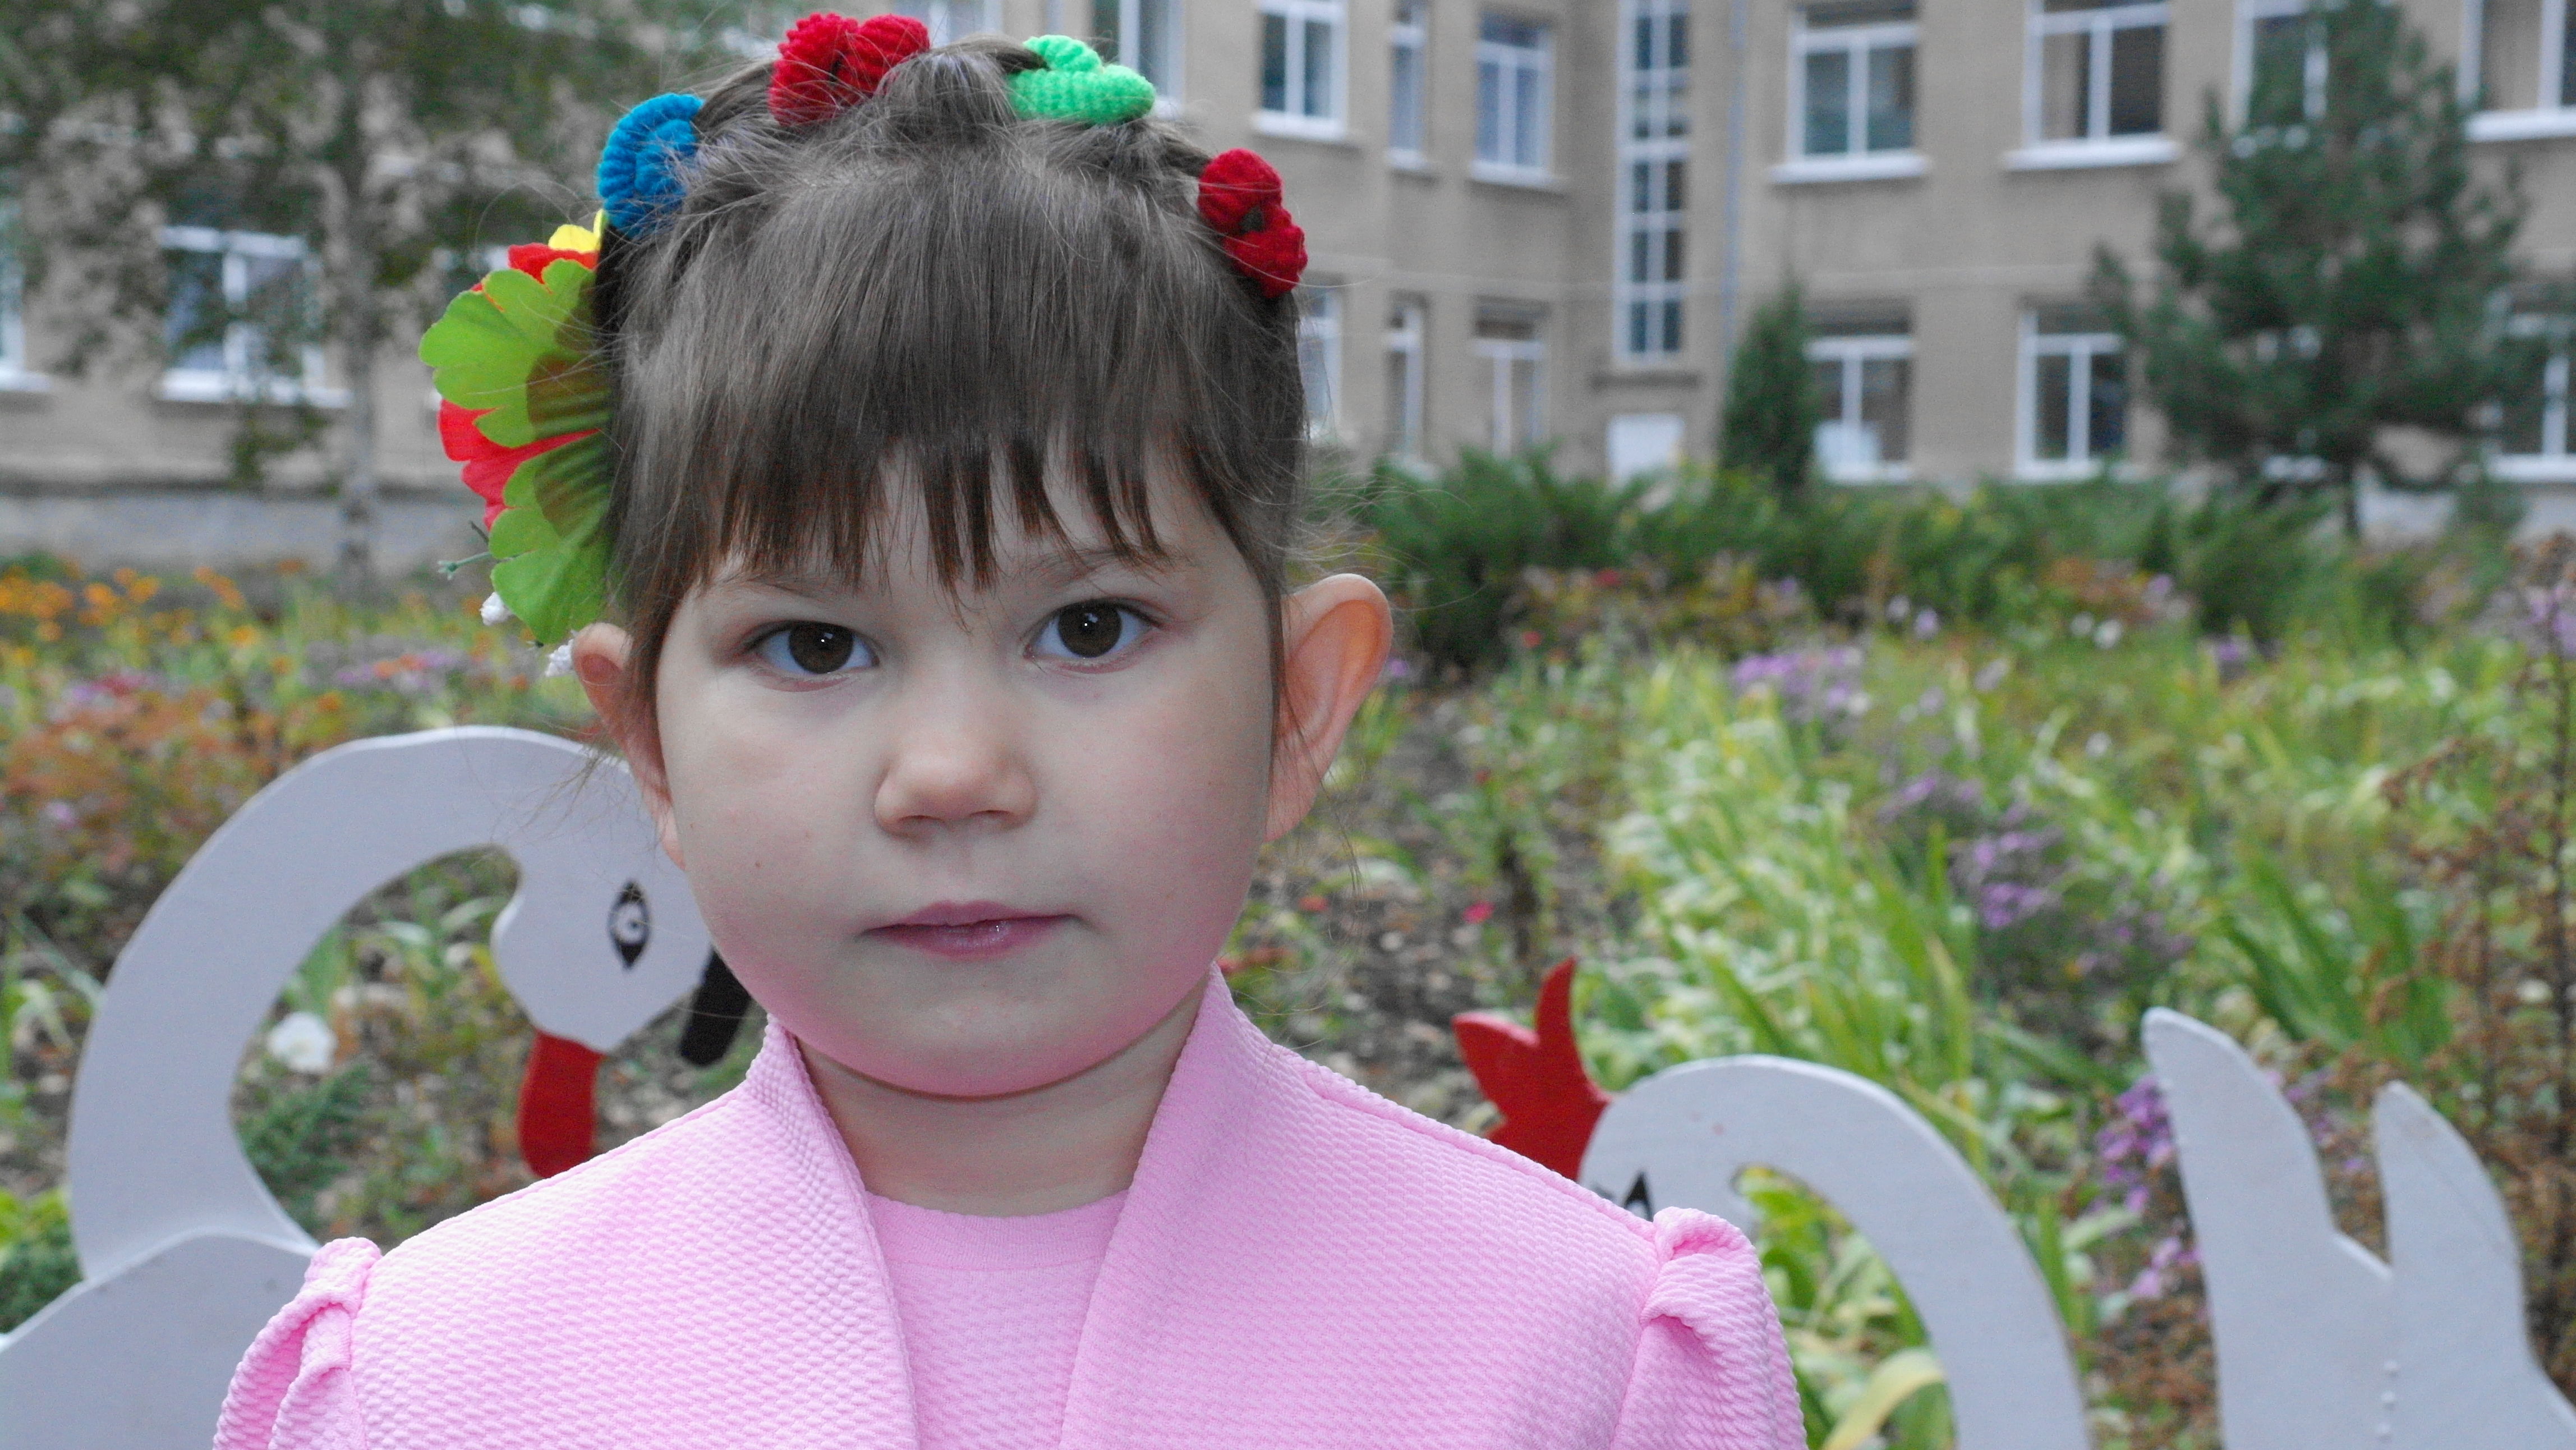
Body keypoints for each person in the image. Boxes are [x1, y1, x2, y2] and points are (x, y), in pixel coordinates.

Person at [213, 17, 1800, 1449]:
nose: (953, 774)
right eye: (814, 644)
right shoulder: (433, 1388)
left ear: (1299, 704)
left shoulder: (1584, 1365)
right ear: (651, 744)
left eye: (1089, 627)